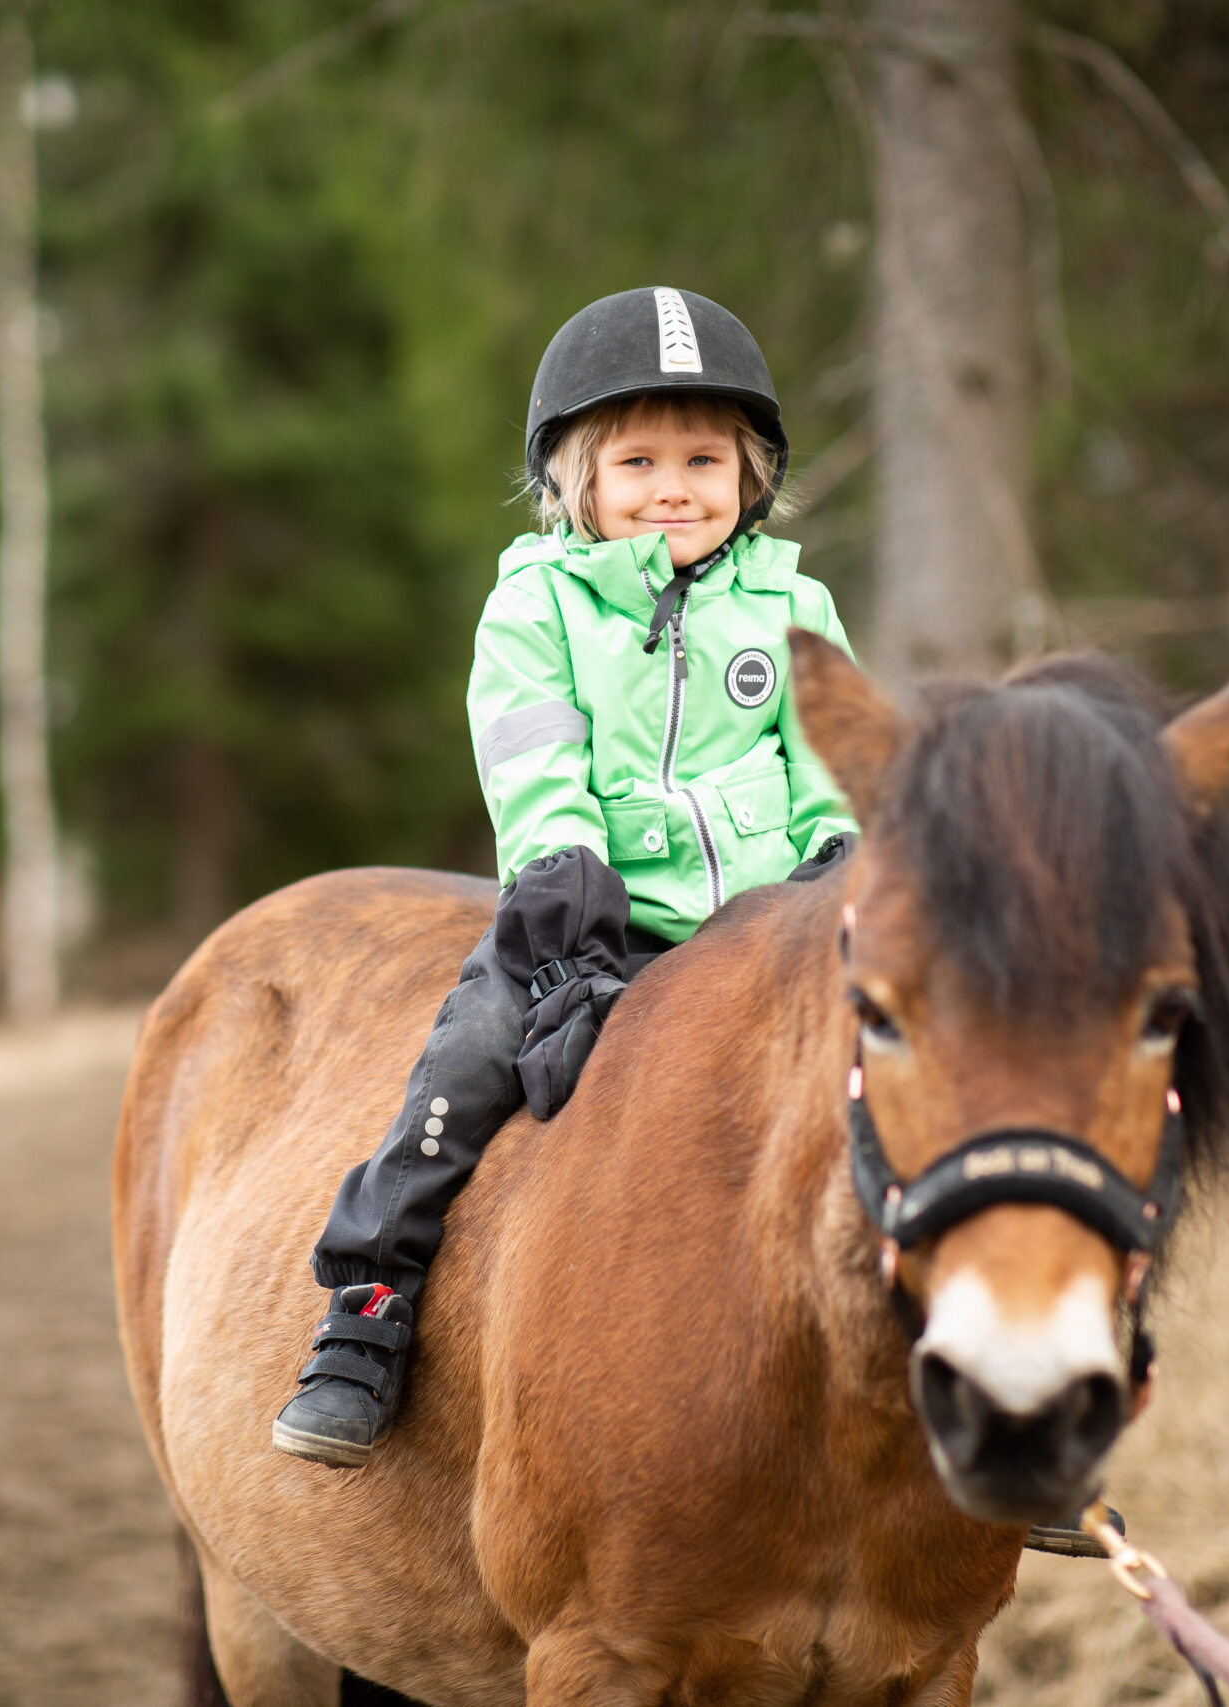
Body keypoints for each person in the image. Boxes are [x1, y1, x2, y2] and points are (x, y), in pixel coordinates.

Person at [271, 286, 860, 1468]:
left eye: (703, 457)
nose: (673, 486)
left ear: (750, 474)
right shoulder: (535, 607)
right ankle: (369, 1313)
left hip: (777, 929)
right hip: (593, 920)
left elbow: (833, 757)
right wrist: (562, 880)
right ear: (577, 484)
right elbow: (536, 758)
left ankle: (996, 1397)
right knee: (470, 1056)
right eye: (637, 460)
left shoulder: (794, 605)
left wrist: (841, 857)